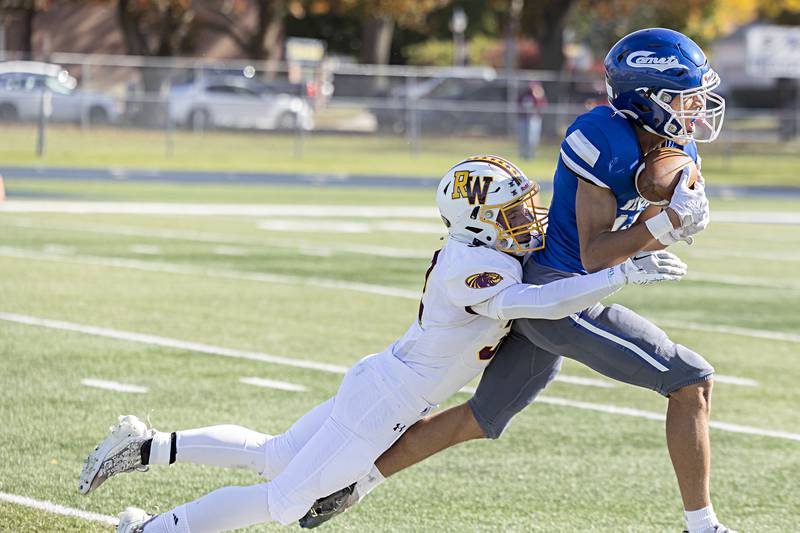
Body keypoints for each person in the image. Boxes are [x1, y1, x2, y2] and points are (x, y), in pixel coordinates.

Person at [78, 155, 687, 533]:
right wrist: (618, 276)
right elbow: (532, 303)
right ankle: (154, 528)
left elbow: (556, 258)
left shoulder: (489, 247)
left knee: (274, 457)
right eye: (509, 210)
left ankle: (149, 448)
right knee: (284, 500)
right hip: (388, 398)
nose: (523, 219)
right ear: (475, 219)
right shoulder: (471, 264)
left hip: (388, 384)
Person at [300, 28, 733, 533]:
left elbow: (650, 203)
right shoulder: (601, 137)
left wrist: (676, 214)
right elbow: (595, 257)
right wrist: (662, 227)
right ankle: (701, 526)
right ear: (648, 98)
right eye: (686, 98)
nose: (699, 108)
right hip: (560, 292)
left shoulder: (677, 149)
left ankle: (352, 484)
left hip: (559, 294)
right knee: (691, 381)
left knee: (479, 418)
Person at [517, 81, 547, 160]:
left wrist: (537, 96)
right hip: (524, 119)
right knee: (523, 137)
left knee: (532, 138)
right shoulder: (524, 94)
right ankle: (523, 155)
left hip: (534, 119)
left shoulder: (538, 95)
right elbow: (518, 103)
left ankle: (531, 155)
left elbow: (542, 106)